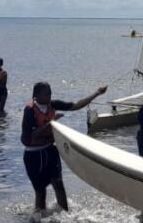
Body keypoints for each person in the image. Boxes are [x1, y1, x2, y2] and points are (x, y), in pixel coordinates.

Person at [21, 81, 108, 212]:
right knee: (40, 191)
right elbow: (33, 135)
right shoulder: (29, 110)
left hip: (50, 150)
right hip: (33, 155)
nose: (49, 96)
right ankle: (39, 217)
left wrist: (97, 93)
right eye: (46, 94)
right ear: (36, 95)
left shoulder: (52, 104)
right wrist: (51, 121)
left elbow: (76, 105)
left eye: (50, 93)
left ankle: (65, 215)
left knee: (58, 184)